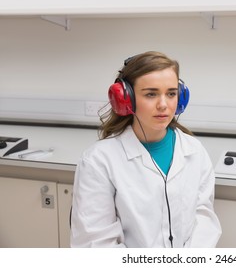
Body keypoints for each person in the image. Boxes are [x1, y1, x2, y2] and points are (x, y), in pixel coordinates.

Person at [70, 51, 222, 248]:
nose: (163, 105)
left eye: (171, 93)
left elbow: (204, 218)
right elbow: (95, 243)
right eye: (151, 94)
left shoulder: (194, 150)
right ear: (126, 99)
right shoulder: (99, 161)